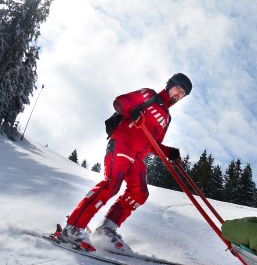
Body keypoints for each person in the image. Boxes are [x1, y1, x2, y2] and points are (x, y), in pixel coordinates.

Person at [56, 73, 192, 252]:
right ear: (169, 84)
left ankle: (106, 230)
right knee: (111, 185)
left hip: (137, 158)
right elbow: (120, 102)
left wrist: (168, 152)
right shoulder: (149, 96)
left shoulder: (167, 118)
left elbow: (153, 144)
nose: (178, 94)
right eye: (177, 88)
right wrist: (132, 111)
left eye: (182, 93)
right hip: (121, 144)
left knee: (139, 193)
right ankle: (73, 228)